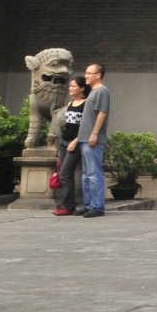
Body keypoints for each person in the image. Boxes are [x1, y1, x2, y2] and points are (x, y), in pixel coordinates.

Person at [76, 61, 111, 218]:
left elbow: (102, 112)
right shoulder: (92, 92)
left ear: (98, 75)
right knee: (86, 174)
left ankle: (97, 206)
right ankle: (89, 204)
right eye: (86, 73)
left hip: (93, 139)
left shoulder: (102, 91)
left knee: (94, 173)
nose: (86, 76)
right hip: (85, 138)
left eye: (89, 73)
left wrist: (94, 133)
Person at [51, 75, 86, 216]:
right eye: (70, 86)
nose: (70, 88)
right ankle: (68, 204)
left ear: (82, 88)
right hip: (64, 142)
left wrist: (75, 141)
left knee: (65, 174)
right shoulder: (71, 103)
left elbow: (85, 127)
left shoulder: (86, 104)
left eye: (73, 86)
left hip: (75, 143)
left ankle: (68, 205)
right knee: (65, 174)